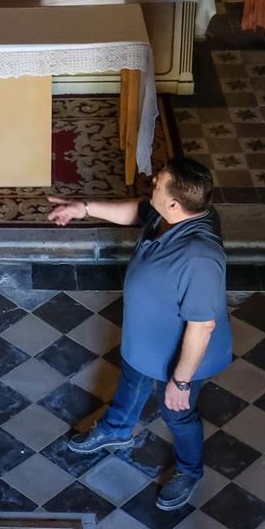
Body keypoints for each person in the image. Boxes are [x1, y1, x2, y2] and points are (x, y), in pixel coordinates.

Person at [47, 156, 231, 511]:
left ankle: (190, 471)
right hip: (146, 339)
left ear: (175, 204)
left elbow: (202, 326)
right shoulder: (172, 215)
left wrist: (180, 381)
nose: (151, 184)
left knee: (177, 412)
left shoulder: (200, 258)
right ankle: (116, 428)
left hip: (180, 356)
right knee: (131, 378)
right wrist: (83, 208)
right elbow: (137, 213)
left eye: (157, 184)